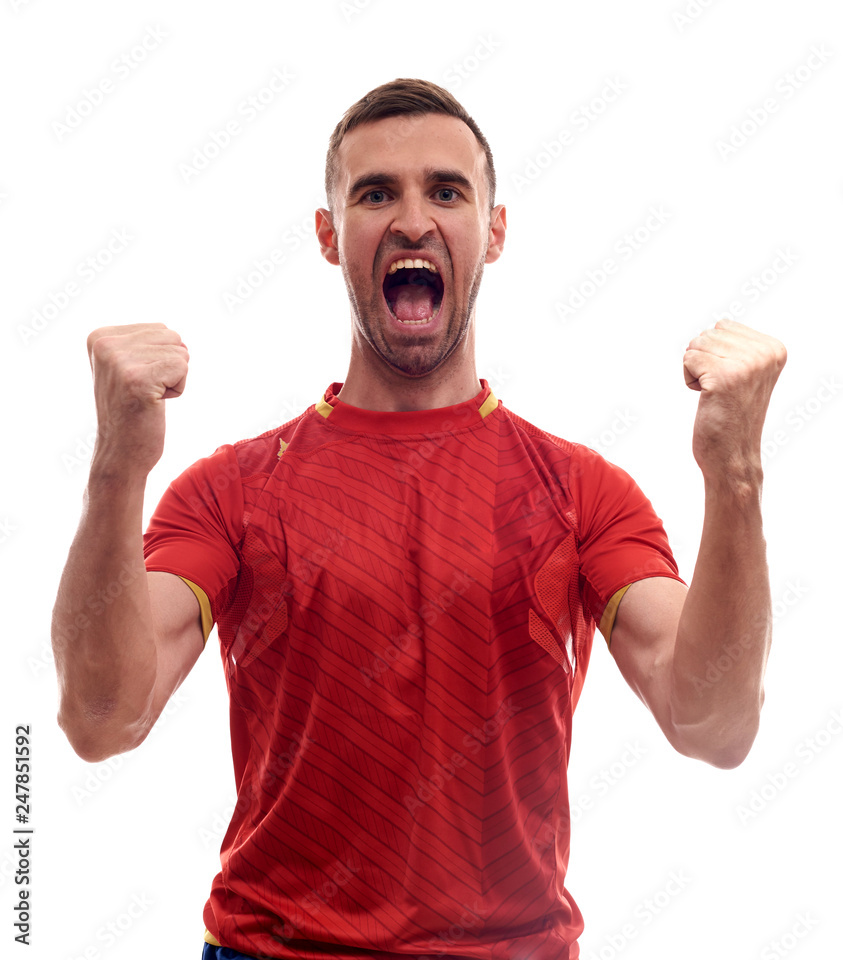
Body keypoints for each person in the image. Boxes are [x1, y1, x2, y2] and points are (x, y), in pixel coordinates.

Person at [51, 78, 787, 960]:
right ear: (328, 237)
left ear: (494, 230)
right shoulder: (233, 491)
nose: (410, 220)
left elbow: (712, 723)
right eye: (374, 193)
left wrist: (733, 476)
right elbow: (101, 718)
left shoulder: (582, 493)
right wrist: (115, 469)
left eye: (446, 190)